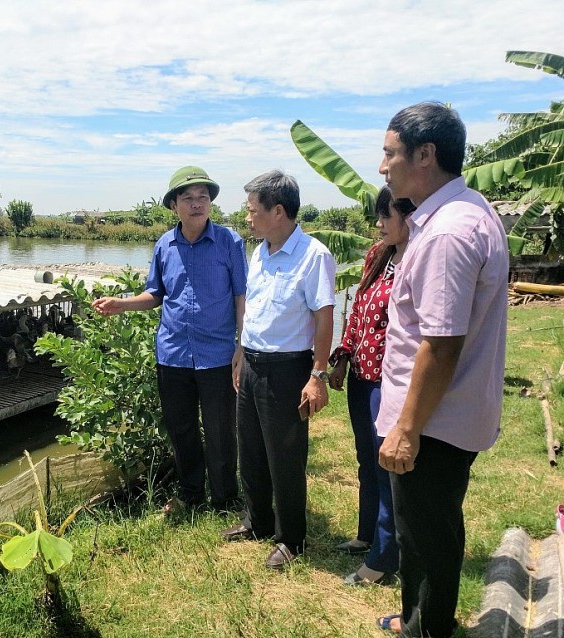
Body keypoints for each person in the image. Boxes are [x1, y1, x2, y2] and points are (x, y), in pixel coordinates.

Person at [375, 102, 509, 637]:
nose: (382, 166)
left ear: (425, 155)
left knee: (425, 536)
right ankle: (424, 620)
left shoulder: (447, 232)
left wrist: (406, 430)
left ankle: (426, 628)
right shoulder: (465, 212)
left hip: (431, 424)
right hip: (445, 418)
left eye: (389, 154)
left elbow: (441, 344)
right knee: (433, 530)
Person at [91, 166, 247, 512]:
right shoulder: (165, 245)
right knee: (182, 429)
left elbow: (241, 296)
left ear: (210, 203)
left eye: (203, 197)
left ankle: (225, 498)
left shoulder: (229, 242)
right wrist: (122, 304)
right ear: (174, 205)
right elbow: (155, 294)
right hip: (173, 353)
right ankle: (190, 493)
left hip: (218, 354)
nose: (197, 204)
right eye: (188, 198)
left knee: (221, 430)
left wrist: (241, 345)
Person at [222, 169, 335, 570]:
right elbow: (252, 309)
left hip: (287, 369)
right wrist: (240, 354)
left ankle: (291, 538)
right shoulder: (259, 252)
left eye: (253, 211)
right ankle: (257, 521)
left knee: (285, 458)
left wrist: (317, 376)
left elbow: (324, 318)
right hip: (252, 362)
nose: (247, 218)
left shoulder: (313, 256)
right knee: (249, 449)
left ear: (279, 211)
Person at [328, 186, 416, 587]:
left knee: (386, 468)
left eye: (386, 216)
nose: (379, 224)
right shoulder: (377, 256)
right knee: (366, 459)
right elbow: (359, 312)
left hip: (391, 381)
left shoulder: (418, 260)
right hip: (363, 375)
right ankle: (368, 535)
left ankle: (384, 560)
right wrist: (343, 355)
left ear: (409, 216)